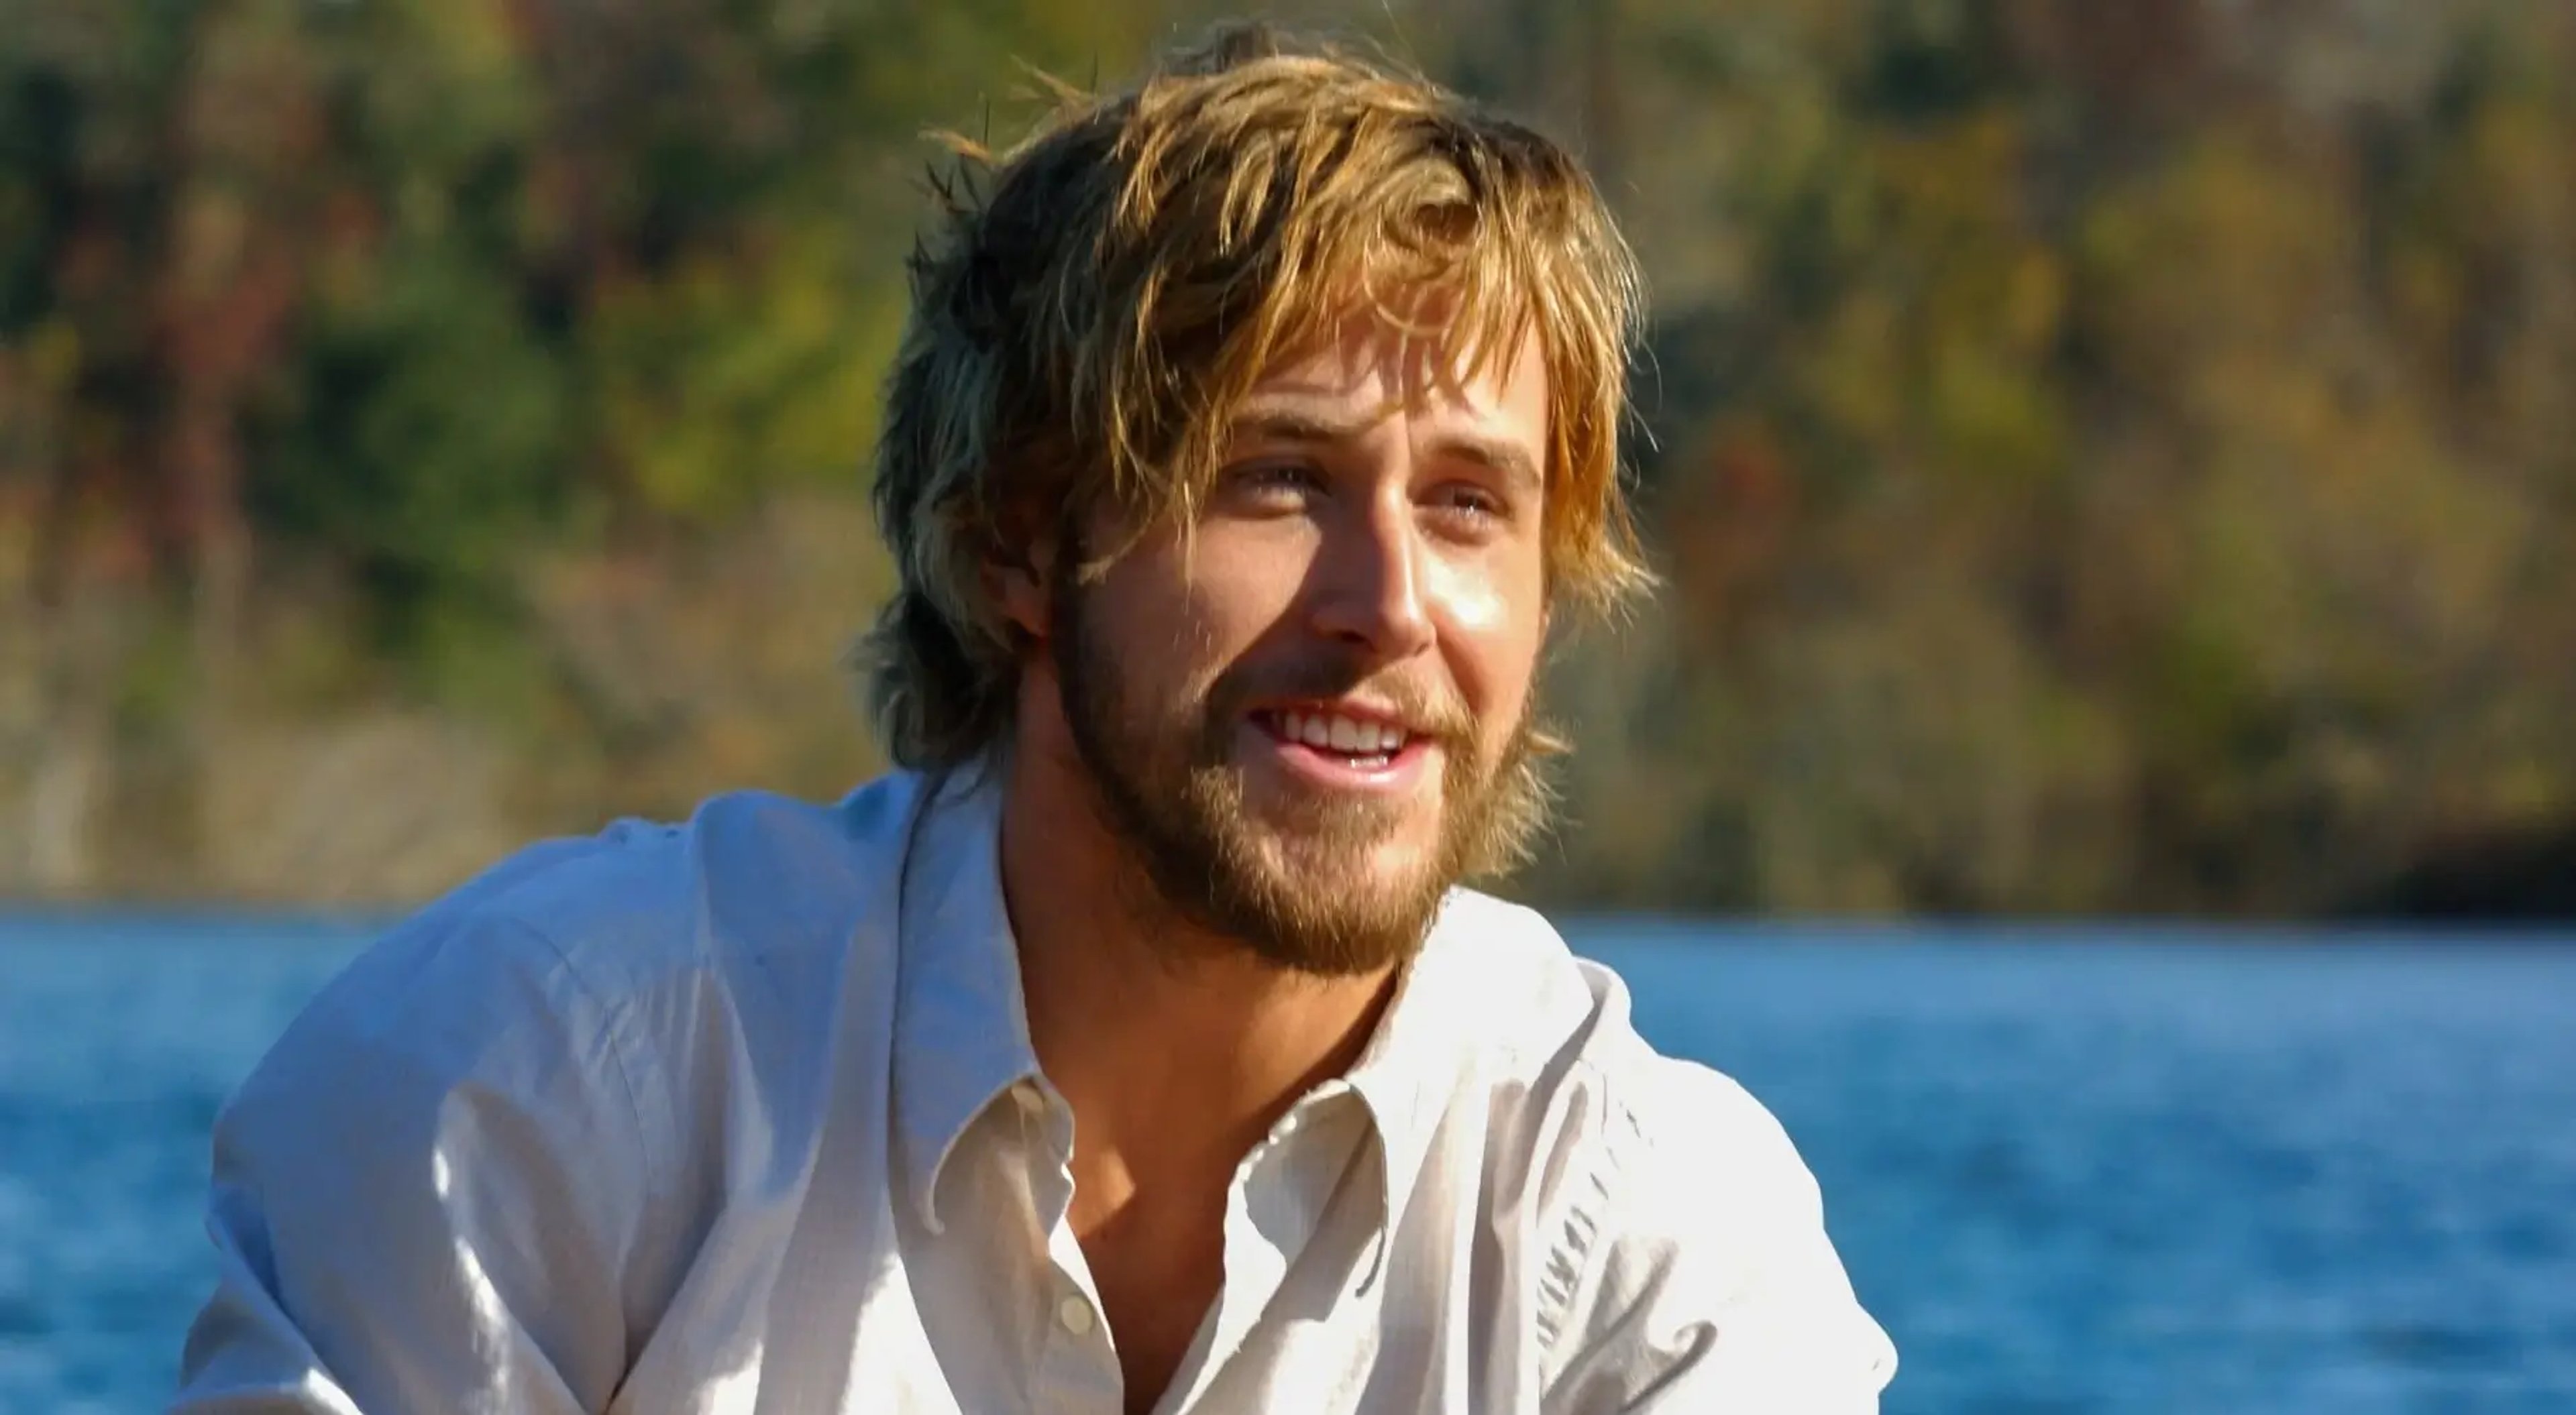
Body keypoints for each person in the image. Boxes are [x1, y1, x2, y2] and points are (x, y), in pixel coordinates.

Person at [172, 23, 1894, 1415]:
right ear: (1016, 541)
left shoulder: (1648, 1245)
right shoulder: (542, 1087)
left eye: (1467, 506)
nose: (1390, 601)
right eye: (1277, 478)